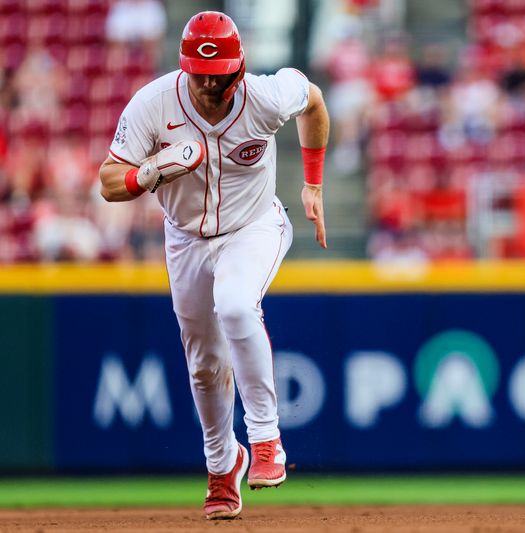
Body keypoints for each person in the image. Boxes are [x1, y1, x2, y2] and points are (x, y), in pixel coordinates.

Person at [97, 12, 329, 520]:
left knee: (237, 307)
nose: (207, 83)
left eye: (218, 73)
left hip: (253, 226)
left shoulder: (266, 95)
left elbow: (312, 100)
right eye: (199, 73)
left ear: (239, 68)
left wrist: (312, 181)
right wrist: (151, 172)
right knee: (204, 366)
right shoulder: (153, 103)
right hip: (184, 238)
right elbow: (109, 182)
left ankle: (266, 439)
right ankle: (223, 466)